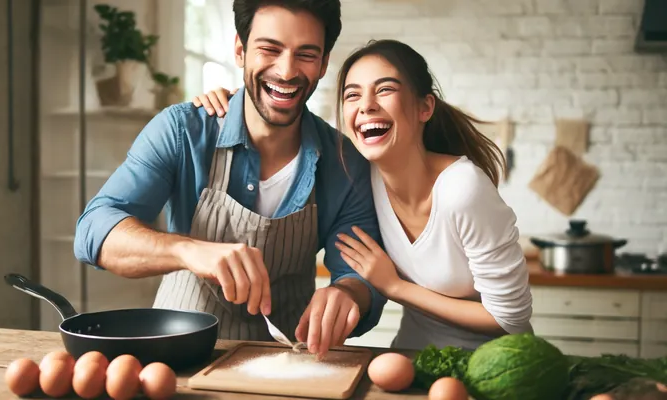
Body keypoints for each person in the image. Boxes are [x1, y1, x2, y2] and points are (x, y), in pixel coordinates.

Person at [73, 0, 388, 359]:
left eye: (306, 54)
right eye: (270, 49)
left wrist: (348, 294)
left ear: (323, 64)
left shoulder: (345, 163)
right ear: (240, 50)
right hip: (178, 352)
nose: (286, 71)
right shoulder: (182, 131)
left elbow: (360, 276)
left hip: (287, 360)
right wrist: (188, 249)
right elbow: (94, 230)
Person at [192, 39, 533, 351]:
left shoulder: (462, 188)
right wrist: (235, 102)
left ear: (425, 107)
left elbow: (509, 319)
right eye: (352, 95)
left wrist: (394, 286)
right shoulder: (360, 176)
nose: (366, 105)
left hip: (496, 364)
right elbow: (280, 128)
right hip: (410, 358)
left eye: (384, 90)